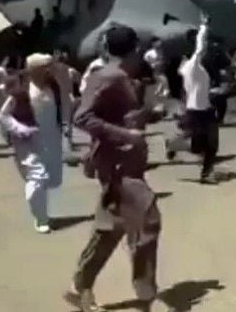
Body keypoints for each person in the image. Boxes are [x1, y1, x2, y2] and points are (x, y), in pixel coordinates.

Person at [64, 25, 161, 312]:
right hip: (119, 168)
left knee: (111, 229)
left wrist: (147, 115)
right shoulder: (110, 76)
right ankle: (145, 294)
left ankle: (78, 286)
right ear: (134, 50)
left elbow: (118, 116)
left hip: (123, 164)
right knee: (148, 221)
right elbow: (83, 117)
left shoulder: (119, 76)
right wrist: (125, 136)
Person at [0, 54, 64, 233]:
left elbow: (61, 111)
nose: (49, 70)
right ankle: (41, 219)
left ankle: (42, 212)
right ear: (33, 70)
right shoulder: (22, 92)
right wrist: (20, 129)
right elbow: (4, 116)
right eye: (44, 67)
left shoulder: (53, 88)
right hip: (28, 142)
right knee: (37, 178)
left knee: (50, 179)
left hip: (51, 141)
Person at [166, 16, 220, 184]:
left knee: (212, 144)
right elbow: (201, 46)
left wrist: (214, 92)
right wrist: (204, 26)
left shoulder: (198, 70)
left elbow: (199, 89)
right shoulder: (193, 66)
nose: (206, 51)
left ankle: (207, 173)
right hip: (195, 111)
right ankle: (174, 145)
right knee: (198, 147)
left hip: (207, 109)